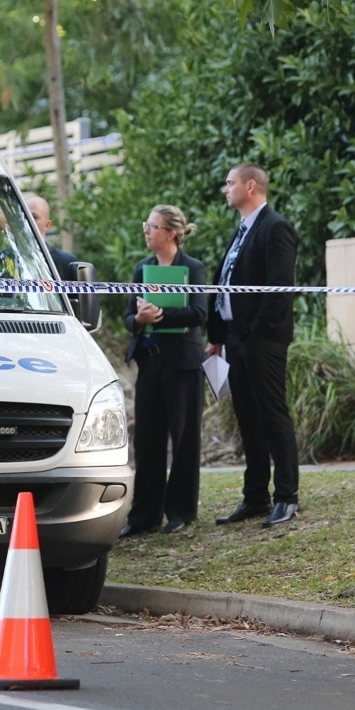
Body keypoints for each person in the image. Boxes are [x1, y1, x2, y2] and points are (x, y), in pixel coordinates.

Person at [205, 163, 301, 528]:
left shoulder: (275, 227)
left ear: (250, 186)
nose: (224, 189)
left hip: (262, 341)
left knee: (273, 416)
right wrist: (218, 338)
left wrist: (254, 333)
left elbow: (279, 290)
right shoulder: (243, 230)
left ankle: (287, 497)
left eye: (229, 183)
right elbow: (224, 285)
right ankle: (256, 497)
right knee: (248, 419)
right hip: (234, 340)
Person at [119, 205, 208, 538]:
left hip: (183, 364)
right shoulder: (142, 268)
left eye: (153, 226)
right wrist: (139, 320)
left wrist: (161, 315)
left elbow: (198, 313)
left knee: (184, 437)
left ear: (171, 233)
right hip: (150, 362)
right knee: (147, 440)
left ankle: (181, 510)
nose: (147, 231)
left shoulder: (193, 268)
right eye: (146, 225)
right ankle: (144, 514)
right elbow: (128, 319)